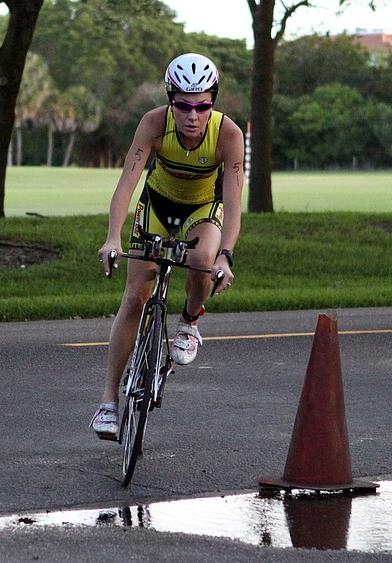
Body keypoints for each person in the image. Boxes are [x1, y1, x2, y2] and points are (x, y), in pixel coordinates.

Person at [90, 53, 245, 438]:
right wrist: (112, 235)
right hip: (156, 205)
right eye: (183, 105)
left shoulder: (228, 134)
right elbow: (127, 181)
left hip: (202, 209)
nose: (193, 116)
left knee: (202, 258)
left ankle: (190, 322)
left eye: (203, 105)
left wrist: (226, 255)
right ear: (170, 98)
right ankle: (108, 402)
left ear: (214, 101)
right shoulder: (153, 123)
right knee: (133, 299)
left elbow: (234, 200)